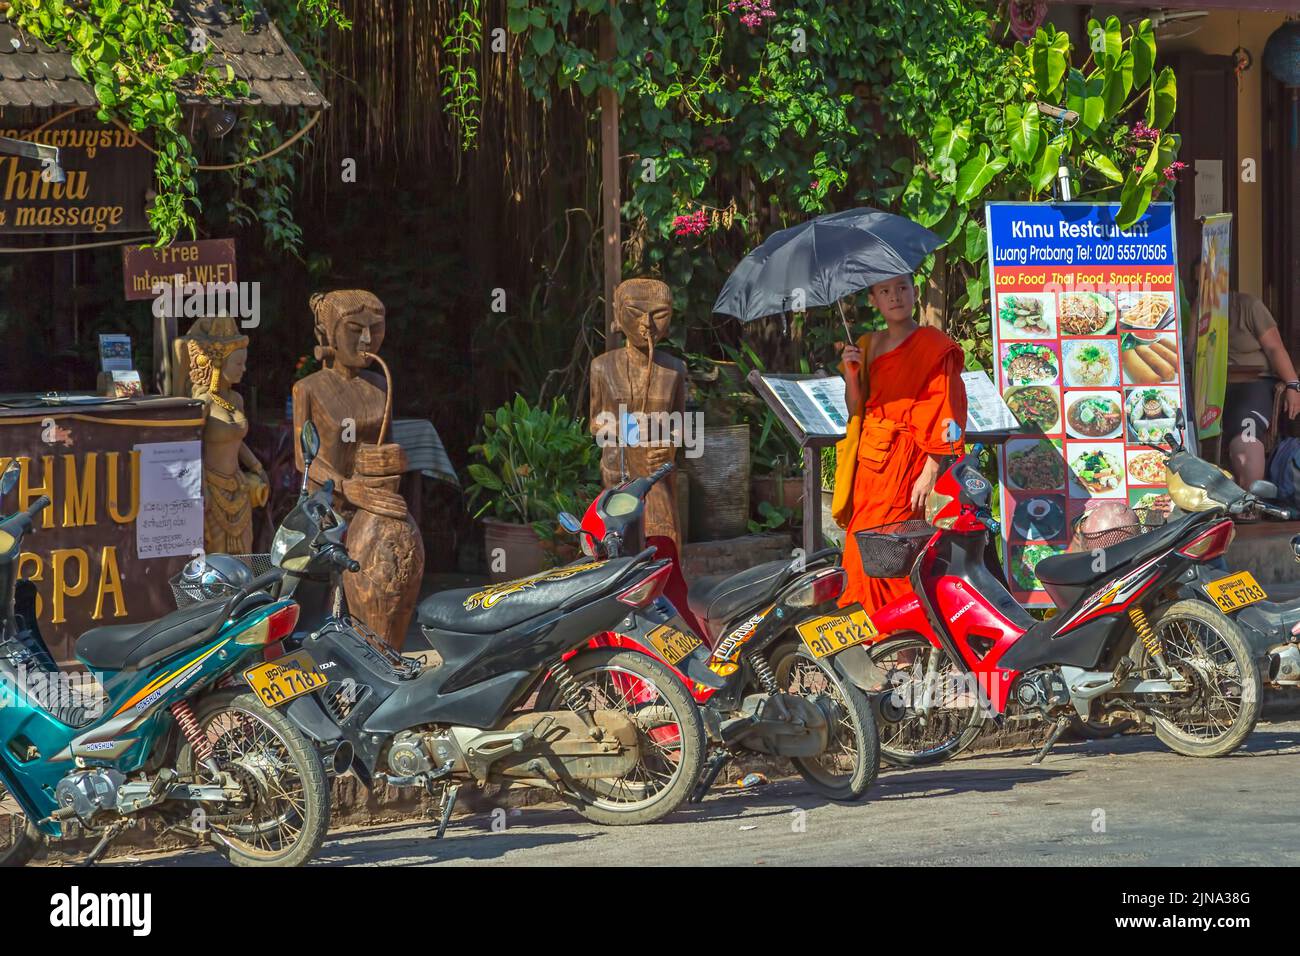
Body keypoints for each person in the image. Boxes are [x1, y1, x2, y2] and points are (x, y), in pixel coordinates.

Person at [833, 274, 967, 613]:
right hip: (870, 464)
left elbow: (949, 410)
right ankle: (869, 639)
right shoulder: (866, 345)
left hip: (907, 463)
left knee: (894, 548)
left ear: (916, 293)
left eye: (902, 288)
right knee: (859, 546)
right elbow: (856, 408)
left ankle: (905, 641)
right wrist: (851, 376)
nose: (895, 297)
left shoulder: (934, 345)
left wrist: (932, 470)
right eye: (885, 291)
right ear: (873, 300)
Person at [1221, 291, 1300, 492]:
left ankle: (1250, 497)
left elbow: (1275, 347)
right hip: (1212, 385)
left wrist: (1292, 384)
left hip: (1253, 382)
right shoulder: (1201, 308)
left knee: (1246, 429)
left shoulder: (1248, 305)